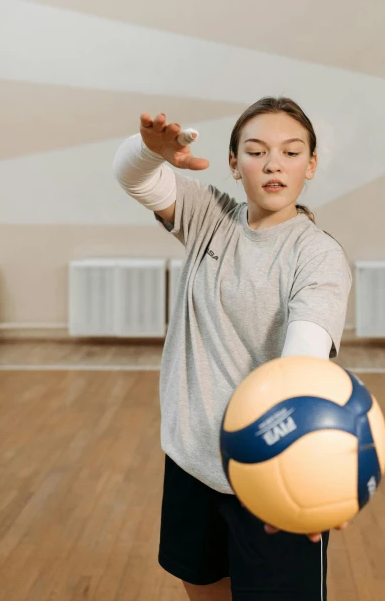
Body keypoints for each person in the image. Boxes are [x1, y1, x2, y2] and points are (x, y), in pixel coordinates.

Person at [113, 96, 353, 601]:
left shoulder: (318, 255)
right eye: (256, 150)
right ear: (233, 162)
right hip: (193, 459)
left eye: (291, 153)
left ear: (310, 166)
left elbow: (302, 362)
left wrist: (298, 464)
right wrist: (147, 149)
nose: (272, 164)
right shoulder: (210, 216)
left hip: (272, 474)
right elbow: (135, 178)